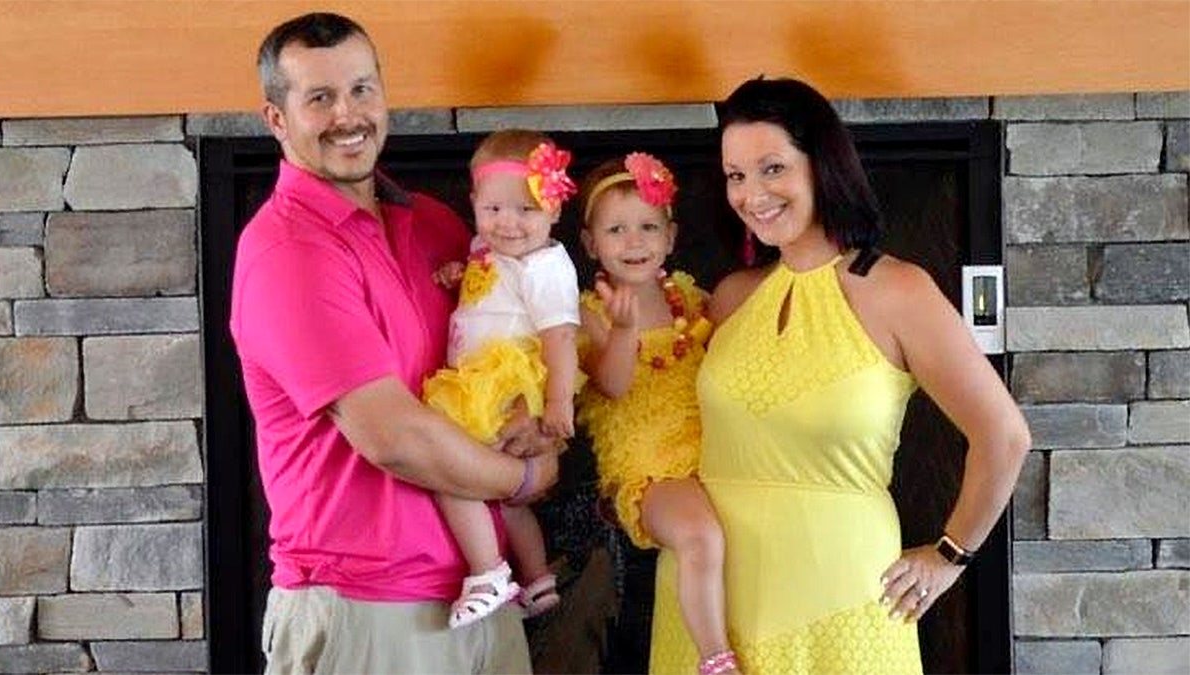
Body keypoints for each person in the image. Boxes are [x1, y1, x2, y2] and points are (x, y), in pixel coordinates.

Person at [647, 77, 1032, 674]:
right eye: (736, 175)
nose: (752, 194)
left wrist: (950, 555)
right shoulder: (729, 297)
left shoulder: (897, 290)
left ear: (821, 165)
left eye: (772, 168)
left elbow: (1004, 436)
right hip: (708, 611)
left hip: (840, 606)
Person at [230, 13, 558, 674]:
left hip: (483, 596)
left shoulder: (437, 225)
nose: (347, 115)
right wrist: (527, 476)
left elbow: (506, 350)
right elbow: (393, 437)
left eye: (361, 90)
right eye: (318, 98)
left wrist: (539, 427)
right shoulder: (286, 250)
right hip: (366, 610)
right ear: (276, 118)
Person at [576, 154, 739, 675]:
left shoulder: (690, 300)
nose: (634, 241)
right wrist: (623, 333)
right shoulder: (587, 313)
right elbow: (613, 384)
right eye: (617, 229)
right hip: (648, 471)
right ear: (590, 243)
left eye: (648, 227)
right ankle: (716, 659)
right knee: (700, 535)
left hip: (710, 459)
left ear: (670, 237)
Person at [423, 129, 580, 629]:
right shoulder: (486, 248)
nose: (508, 224)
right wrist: (455, 274)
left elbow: (560, 339)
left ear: (554, 211)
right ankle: (536, 579)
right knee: (507, 500)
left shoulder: (546, 266)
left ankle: (488, 571)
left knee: (451, 469)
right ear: (474, 203)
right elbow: (483, 288)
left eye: (526, 211)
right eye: (493, 211)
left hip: (503, 383)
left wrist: (558, 405)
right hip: (481, 378)